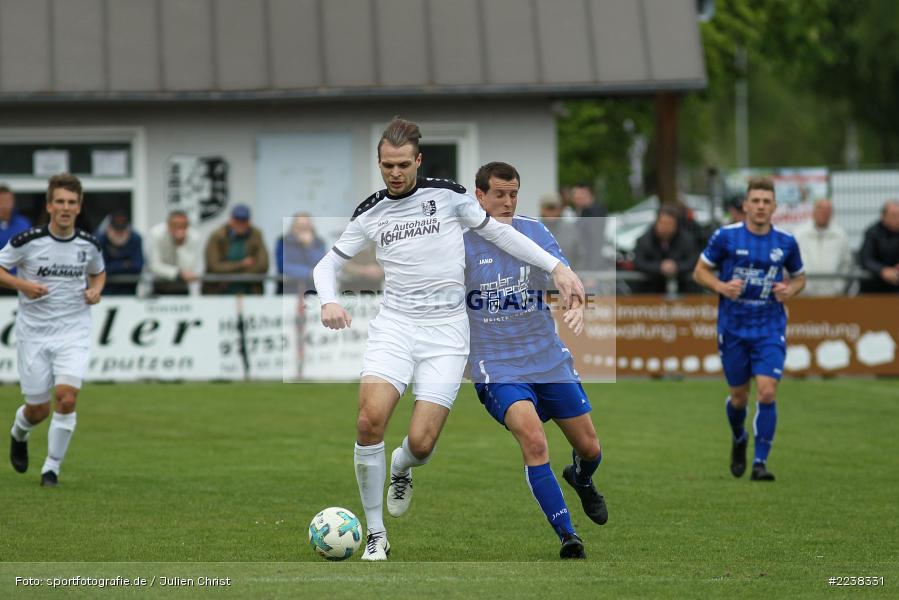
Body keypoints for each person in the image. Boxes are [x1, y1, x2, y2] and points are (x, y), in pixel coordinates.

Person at [311, 117, 585, 561]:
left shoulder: (449, 196)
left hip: (446, 335)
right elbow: (327, 265)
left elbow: (500, 233)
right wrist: (328, 300)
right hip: (395, 328)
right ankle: (376, 534)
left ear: (418, 161)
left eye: (403, 164)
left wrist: (557, 268)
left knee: (421, 444)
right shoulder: (370, 213)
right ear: (379, 164)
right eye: (387, 165)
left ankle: (402, 466)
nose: (395, 173)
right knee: (368, 421)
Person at [464, 162, 607, 559]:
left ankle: (581, 478)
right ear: (479, 196)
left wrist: (575, 303)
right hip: (496, 364)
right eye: (499, 194)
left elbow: (565, 279)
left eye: (513, 194)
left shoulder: (535, 231)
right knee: (534, 439)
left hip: (546, 357)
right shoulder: (460, 242)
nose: (508, 202)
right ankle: (567, 535)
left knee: (590, 448)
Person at [693, 177, 805, 482]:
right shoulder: (726, 237)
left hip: (770, 326)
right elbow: (699, 271)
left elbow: (800, 277)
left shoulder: (786, 241)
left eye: (766, 201)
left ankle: (760, 462)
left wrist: (790, 290)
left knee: (767, 391)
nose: (760, 206)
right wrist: (720, 286)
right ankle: (739, 436)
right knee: (739, 398)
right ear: (745, 205)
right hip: (733, 328)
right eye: (755, 200)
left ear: (774, 207)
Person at [0, 173, 105, 487]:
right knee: (38, 410)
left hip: (74, 330)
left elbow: (98, 272)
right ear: (49, 206)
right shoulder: (27, 241)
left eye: (71, 202)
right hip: (34, 333)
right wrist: (23, 285)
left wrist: (95, 291)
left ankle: (51, 469)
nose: (65, 207)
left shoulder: (89, 244)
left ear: (79, 207)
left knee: (66, 398)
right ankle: (19, 433)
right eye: (60, 201)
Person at [203, 204, 269, 295]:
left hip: (250, 290)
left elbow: (263, 266)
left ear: (249, 221)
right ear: (231, 220)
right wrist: (242, 264)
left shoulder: (256, 235)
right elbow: (214, 266)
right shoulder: (217, 236)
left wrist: (231, 273)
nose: (241, 224)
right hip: (219, 291)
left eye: (244, 220)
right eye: (237, 220)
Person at [632, 205, 699, 294]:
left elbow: (694, 261)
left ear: (676, 224)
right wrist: (659, 267)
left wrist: (676, 267)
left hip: (684, 292)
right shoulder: (643, 241)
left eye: (669, 223)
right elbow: (638, 262)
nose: (666, 227)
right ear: (656, 222)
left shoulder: (687, 240)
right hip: (650, 292)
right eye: (663, 223)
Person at [793, 199, 851, 296]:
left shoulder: (841, 236)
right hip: (803, 295)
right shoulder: (799, 234)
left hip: (832, 295)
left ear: (832, 213)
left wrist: (839, 286)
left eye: (828, 209)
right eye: (820, 208)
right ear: (813, 211)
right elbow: (791, 262)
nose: (824, 212)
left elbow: (846, 264)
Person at [147, 210, 202, 295]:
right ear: (168, 225)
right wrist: (178, 273)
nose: (179, 229)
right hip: (159, 285)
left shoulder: (194, 237)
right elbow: (154, 266)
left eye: (183, 226)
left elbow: (189, 269)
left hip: (182, 286)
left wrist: (180, 245)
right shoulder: (156, 234)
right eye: (175, 225)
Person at [276, 213, 327, 295]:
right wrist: (308, 272)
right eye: (300, 226)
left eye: (306, 226)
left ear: (311, 227)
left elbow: (321, 264)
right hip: (287, 290)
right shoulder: (283, 241)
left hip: (312, 291)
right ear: (293, 226)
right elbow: (283, 266)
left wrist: (309, 246)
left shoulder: (319, 242)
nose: (303, 230)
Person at [97, 211, 143, 295]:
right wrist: (125, 264)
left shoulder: (135, 239)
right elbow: (100, 269)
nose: (119, 234)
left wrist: (112, 266)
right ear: (109, 228)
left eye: (122, 230)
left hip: (129, 290)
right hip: (105, 290)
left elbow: (138, 266)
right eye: (116, 230)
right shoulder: (100, 240)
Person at [858, 200, 899, 294]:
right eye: (894, 215)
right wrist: (882, 270)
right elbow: (866, 259)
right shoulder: (872, 232)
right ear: (883, 216)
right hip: (874, 289)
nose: (898, 219)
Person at [0, 185, 33, 295]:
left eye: (8, 201)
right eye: (1, 201)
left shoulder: (24, 224)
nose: (5, 205)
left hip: (18, 283)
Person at [539, 193, 583, 268]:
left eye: (553, 208)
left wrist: (577, 272)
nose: (551, 212)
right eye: (548, 208)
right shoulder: (534, 229)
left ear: (560, 209)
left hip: (569, 272)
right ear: (542, 209)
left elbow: (581, 255)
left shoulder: (571, 229)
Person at [570, 183, 608, 272]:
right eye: (576, 197)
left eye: (581, 196)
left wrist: (592, 269)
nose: (577, 199)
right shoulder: (585, 212)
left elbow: (595, 242)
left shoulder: (593, 213)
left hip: (590, 263)